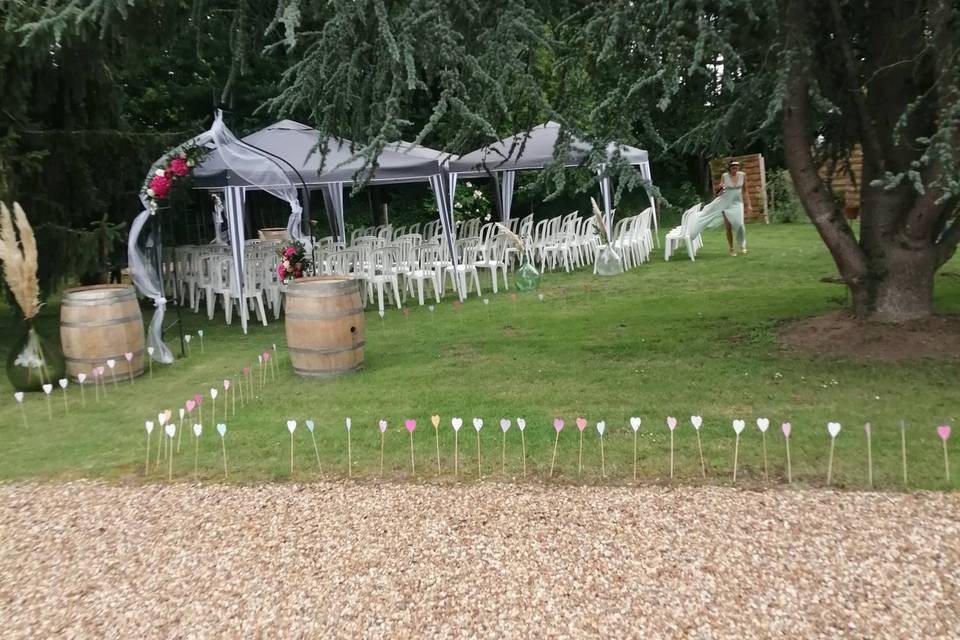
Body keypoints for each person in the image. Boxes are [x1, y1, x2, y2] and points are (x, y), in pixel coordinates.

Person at [690, 159, 752, 256]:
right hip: (726, 202)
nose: (735, 169)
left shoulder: (742, 176)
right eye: (733, 168)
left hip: (737, 203)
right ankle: (731, 248)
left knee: (740, 225)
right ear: (730, 168)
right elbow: (719, 190)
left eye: (737, 167)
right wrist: (721, 187)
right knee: (728, 227)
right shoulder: (725, 176)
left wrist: (748, 205)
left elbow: (745, 191)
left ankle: (742, 245)